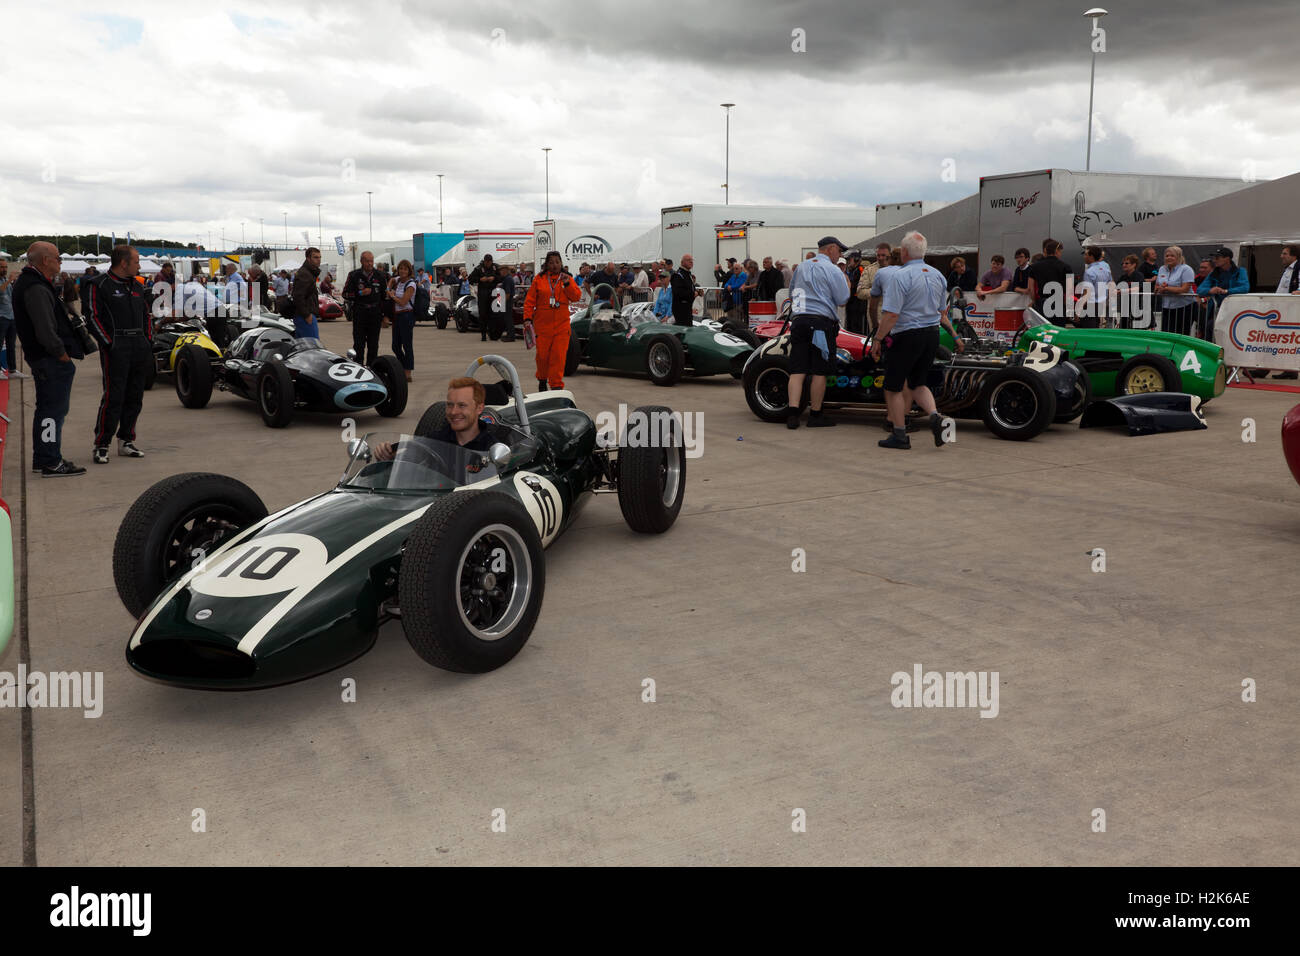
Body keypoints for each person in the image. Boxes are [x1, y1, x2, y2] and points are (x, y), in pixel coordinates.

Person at [13, 242, 88, 475]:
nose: (60, 262)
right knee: (52, 411)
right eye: (58, 258)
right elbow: (45, 329)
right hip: (49, 359)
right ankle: (50, 460)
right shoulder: (34, 286)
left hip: (44, 358)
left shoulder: (33, 283)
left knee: (48, 409)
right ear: (45, 260)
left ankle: (44, 458)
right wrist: (61, 354)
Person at [871, 231, 948, 450]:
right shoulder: (937, 275)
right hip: (931, 333)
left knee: (893, 386)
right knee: (918, 383)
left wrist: (878, 338)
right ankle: (934, 416)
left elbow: (891, 314)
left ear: (904, 252)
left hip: (907, 334)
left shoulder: (900, 276)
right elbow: (942, 310)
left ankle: (899, 434)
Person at [87, 244, 151, 464]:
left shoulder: (138, 286)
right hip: (117, 346)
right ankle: (101, 443)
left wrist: (147, 340)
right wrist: (109, 343)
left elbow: (146, 315)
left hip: (138, 345)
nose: (139, 266)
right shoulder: (99, 284)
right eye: (136, 262)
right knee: (114, 397)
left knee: (135, 396)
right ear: (123, 263)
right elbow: (92, 317)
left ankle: (126, 440)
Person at [785, 236, 851, 429]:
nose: (839, 256)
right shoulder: (833, 270)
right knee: (819, 371)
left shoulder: (802, 267)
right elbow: (842, 299)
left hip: (799, 321)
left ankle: (792, 414)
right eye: (839, 252)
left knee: (798, 369)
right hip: (821, 324)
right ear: (831, 249)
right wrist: (847, 285)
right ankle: (815, 414)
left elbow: (792, 294)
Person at [373, 377, 498, 463]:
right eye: (450, 405)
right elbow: (407, 459)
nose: (453, 412)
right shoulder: (434, 440)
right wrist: (387, 455)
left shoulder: (493, 449)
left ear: (479, 408)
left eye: (462, 405)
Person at [523, 250, 583, 391]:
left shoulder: (567, 278)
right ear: (546, 264)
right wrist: (527, 318)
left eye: (557, 262)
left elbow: (576, 297)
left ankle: (556, 386)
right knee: (542, 357)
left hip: (561, 327)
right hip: (542, 326)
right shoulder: (539, 279)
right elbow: (529, 301)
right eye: (551, 262)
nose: (554, 265)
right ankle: (542, 381)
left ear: (561, 263)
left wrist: (567, 284)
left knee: (559, 357)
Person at [342, 251, 387, 366]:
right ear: (361, 261)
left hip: (375, 314)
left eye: (371, 261)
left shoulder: (380, 275)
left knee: (373, 345)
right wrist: (360, 293)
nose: (370, 263)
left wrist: (385, 316)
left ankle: (372, 369)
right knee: (358, 344)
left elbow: (384, 298)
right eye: (367, 261)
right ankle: (358, 368)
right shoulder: (353, 275)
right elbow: (345, 294)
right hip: (360, 313)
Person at [1197, 246, 1249, 341]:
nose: (1215, 260)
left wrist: (1227, 291)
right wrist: (1210, 290)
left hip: (1234, 310)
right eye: (1214, 258)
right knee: (1210, 329)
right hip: (1217, 310)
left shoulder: (1240, 271)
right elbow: (1200, 290)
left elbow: (1245, 288)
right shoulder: (1213, 274)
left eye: (1217, 257)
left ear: (1227, 259)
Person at [1154, 246, 1197, 336]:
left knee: (1181, 334)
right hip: (1166, 306)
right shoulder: (1162, 269)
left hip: (1184, 307)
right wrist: (1158, 289)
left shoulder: (1186, 269)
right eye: (1167, 256)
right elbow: (1157, 286)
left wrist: (1166, 288)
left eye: (1172, 256)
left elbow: (1184, 289)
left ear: (1178, 257)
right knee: (1166, 334)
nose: (1169, 258)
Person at [1026, 238, 1071, 323]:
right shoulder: (1066, 267)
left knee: (1043, 331)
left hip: (1042, 304)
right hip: (1059, 304)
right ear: (1057, 251)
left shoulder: (1034, 267)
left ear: (1046, 251)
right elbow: (1069, 291)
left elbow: (1030, 288)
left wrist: (1035, 301)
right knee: (1058, 332)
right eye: (1060, 251)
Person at [388, 259, 416, 381]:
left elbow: (404, 302)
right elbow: (388, 287)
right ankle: (403, 366)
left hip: (407, 315)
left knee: (407, 345)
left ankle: (408, 372)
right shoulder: (397, 281)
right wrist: (390, 285)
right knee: (395, 346)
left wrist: (393, 296)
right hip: (397, 316)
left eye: (405, 269)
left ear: (409, 270)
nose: (403, 271)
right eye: (401, 268)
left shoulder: (411, 284)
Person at [291, 248, 322, 338]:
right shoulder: (305, 273)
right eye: (315, 257)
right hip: (305, 316)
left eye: (320, 257)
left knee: (303, 346)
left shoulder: (309, 272)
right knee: (312, 347)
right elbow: (297, 296)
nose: (319, 260)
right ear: (308, 259)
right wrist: (307, 315)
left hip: (304, 315)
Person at [1077, 246, 1112, 328]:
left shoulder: (1089, 271)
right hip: (1100, 304)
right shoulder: (1106, 270)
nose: (1084, 257)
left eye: (1086, 255)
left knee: (1087, 331)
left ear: (1091, 256)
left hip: (1089, 305)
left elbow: (1087, 292)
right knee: (1095, 328)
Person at [468, 254, 500, 342]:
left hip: (494, 293)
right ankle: (483, 334)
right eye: (487, 262)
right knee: (483, 314)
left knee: (494, 314)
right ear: (485, 261)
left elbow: (502, 277)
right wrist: (480, 279)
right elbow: (470, 278)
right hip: (483, 293)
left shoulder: (496, 267)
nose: (488, 264)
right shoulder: (479, 268)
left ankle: (493, 334)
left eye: (490, 262)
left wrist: (494, 278)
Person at [670, 254, 703, 326]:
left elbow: (689, 288)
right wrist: (692, 294)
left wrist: (698, 292)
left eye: (692, 260)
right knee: (682, 331)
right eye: (688, 260)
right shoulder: (678, 275)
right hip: (680, 308)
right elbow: (678, 292)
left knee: (688, 329)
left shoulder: (688, 274)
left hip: (687, 307)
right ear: (682, 262)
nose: (691, 262)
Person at [0, 259, 16, 377]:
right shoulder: (6, 281)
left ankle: (12, 370)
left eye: (5, 267)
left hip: (11, 316)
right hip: (1, 317)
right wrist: (10, 280)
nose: (4, 269)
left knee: (11, 344)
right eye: (2, 267)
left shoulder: (6, 280)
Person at [495, 262, 517, 342]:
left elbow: (507, 293)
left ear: (505, 270)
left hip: (507, 301)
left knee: (508, 319)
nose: (500, 272)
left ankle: (511, 336)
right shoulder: (508, 278)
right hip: (508, 300)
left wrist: (501, 303)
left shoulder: (507, 279)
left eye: (501, 270)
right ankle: (509, 334)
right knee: (507, 319)